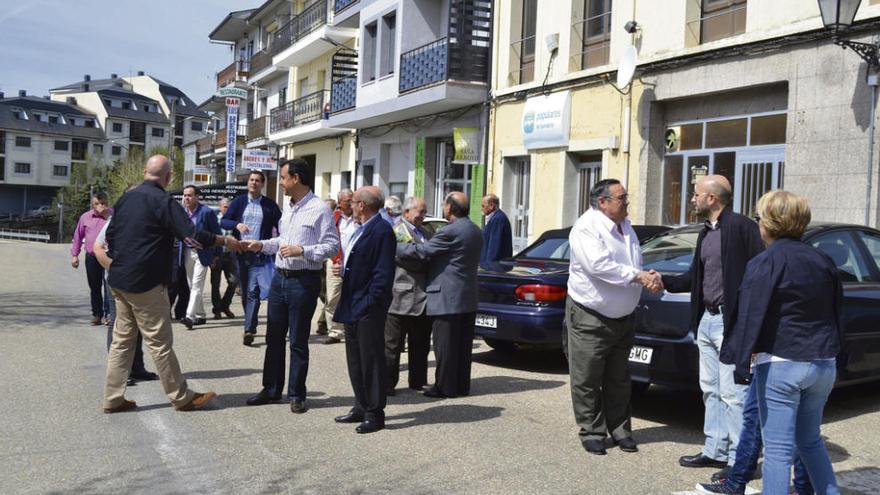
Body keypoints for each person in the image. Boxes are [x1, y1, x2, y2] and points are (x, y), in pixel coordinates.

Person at [720, 190, 841, 495]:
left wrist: (740, 362)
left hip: (782, 363)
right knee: (810, 441)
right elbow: (837, 311)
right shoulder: (823, 260)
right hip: (824, 362)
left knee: (777, 451)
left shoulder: (765, 262)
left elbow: (750, 314)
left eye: (759, 217)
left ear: (768, 224)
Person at [103, 155, 237, 413]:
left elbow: (110, 236)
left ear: (145, 172)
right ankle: (181, 396)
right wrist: (224, 241)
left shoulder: (125, 198)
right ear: (167, 178)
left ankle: (113, 397)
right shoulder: (163, 201)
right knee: (159, 342)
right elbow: (192, 235)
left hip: (119, 280)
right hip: (146, 282)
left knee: (122, 341)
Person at [663, 175, 763, 476]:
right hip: (706, 320)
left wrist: (750, 325)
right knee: (710, 389)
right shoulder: (706, 232)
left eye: (696, 194)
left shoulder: (743, 228)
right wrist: (660, 280)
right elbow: (694, 277)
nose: (691, 199)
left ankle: (738, 459)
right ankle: (715, 450)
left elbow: (760, 276)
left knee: (734, 393)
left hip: (730, 322)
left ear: (712, 199)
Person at [564, 179, 662, 456]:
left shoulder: (625, 226)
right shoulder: (586, 228)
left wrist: (649, 276)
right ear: (602, 202)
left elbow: (632, 265)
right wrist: (639, 277)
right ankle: (593, 431)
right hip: (591, 316)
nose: (626, 202)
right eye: (621, 198)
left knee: (619, 378)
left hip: (623, 318)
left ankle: (620, 430)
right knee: (587, 378)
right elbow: (599, 267)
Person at [242, 158, 339, 413]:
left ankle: (296, 394)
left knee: (297, 340)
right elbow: (282, 241)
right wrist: (261, 245)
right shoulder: (290, 207)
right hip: (279, 279)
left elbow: (332, 247)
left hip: (303, 282)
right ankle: (271, 389)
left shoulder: (320, 209)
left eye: (283, 178)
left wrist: (302, 250)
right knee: (274, 337)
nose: (281, 183)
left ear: (295, 178)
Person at [396, 191, 482, 399]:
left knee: (445, 347)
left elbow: (422, 252)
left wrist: (394, 245)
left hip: (447, 297)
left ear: (450, 208)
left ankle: (445, 387)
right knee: (462, 347)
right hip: (467, 297)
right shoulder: (475, 229)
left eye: (444, 204)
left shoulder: (449, 231)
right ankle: (461, 385)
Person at [332, 186, 396, 434]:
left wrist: (370, 302)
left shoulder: (382, 231)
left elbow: (382, 275)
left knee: (371, 360)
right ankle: (360, 404)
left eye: (354, 201)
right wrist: (345, 270)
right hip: (352, 302)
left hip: (367, 306)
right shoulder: (361, 228)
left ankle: (374, 412)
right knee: (355, 359)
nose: (349, 204)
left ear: (363, 205)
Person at [93, 210, 158, 385]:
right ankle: (119, 372)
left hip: (136, 281)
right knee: (117, 324)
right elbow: (98, 247)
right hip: (117, 281)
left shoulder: (142, 218)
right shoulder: (115, 221)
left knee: (136, 323)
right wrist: (115, 270)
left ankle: (136, 368)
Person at [221, 170, 282, 346]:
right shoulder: (239, 202)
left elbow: (281, 226)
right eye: (251, 180)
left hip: (259, 253)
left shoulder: (270, 205)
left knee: (253, 291)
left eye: (257, 181)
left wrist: (272, 245)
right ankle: (251, 323)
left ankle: (248, 329)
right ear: (247, 183)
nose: (253, 183)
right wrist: (236, 224)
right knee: (246, 290)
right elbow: (223, 221)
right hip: (240, 253)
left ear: (262, 184)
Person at [384, 196, 433, 395]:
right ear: (406, 213)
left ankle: (418, 381)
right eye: (419, 212)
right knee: (392, 345)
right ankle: (387, 384)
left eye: (424, 212)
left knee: (420, 344)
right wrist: (429, 258)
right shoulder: (398, 232)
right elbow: (411, 259)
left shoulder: (425, 232)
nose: (422, 216)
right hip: (401, 297)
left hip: (423, 298)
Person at [180, 185, 221, 329]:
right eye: (185, 195)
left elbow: (217, 234)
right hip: (187, 252)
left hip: (202, 253)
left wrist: (216, 255)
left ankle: (189, 316)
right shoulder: (182, 213)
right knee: (192, 285)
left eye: (190, 195)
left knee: (197, 285)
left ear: (197, 196)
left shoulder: (207, 212)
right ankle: (201, 314)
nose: (186, 198)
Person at [318, 189, 355, 344]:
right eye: (348, 201)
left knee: (353, 296)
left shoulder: (360, 218)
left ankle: (351, 329)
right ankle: (335, 331)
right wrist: (334, 259)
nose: (351, 204)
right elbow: (326, 240)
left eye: (353, 200)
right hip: (335, 262)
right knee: (332, 297)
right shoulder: (333, 218)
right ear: (340, 203)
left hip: (354, 264)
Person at [70, 191, 112, 325]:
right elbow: (78, 237)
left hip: (108, 255)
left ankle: (109, 314)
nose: (100, 206)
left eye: (103, 203)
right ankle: (97, 314)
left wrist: (107, 215)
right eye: (97, 203)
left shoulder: (114, 215)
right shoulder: (86, 217)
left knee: (108, 286)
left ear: (107, 202)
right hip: (92, 256)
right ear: (92, 204)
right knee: (95, 286)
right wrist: (75, 255)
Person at [211, 198, 239, 320]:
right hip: (217, 255)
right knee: (215, 284)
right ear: (220, 207)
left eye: (229, 207)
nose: (228, 209)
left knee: (234, 281)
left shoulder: (234, 221)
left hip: (230, 255)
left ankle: (224, 305)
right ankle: (217, 309)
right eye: (226, 207)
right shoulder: (213, 220)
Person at [480, 193, 513, 262]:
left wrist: (488, 267)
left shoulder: (498, 219)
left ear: (492, 206)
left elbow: (494, 247)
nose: (481, 209)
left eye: (483, 206)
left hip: (494, 267)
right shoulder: (494, 218)